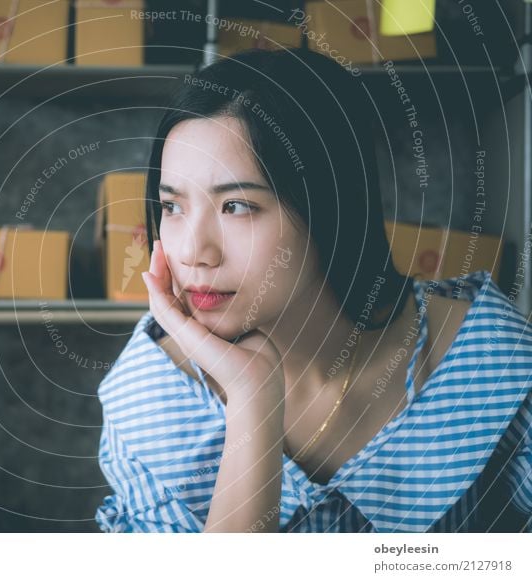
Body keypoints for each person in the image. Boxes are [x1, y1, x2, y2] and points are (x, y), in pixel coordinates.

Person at [94, 47, 532, 533]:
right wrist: (252, 397)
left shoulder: (485, 358)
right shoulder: (150, 399)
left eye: (236, 206)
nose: (194, 251)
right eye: (172, 207)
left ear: (331, 209)